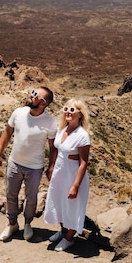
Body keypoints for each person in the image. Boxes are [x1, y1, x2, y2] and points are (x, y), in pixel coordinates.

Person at [0, 86, 58, 242]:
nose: (30, 95)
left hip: (35, 167)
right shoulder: (19, 113)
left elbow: (53, 147)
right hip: (14, 163)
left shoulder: (49, 122)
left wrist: (51, 166)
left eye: (35, 94)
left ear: (43, 103)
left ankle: (28, 223)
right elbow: (7, 132)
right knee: (11, 195)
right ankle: (12, 224)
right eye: (32, 92)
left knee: (31, 198)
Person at [44, 98, 91, 252]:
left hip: (72, 175)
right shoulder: (62, 130)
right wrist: (51, 168)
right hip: (60, 174)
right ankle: (63, 231)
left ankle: (69, 238)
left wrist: (75, 186)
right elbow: (57, 151)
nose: (68, 112)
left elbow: (83, 163)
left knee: (72, 206)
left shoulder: (82, 135)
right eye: (66, 109)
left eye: (72, 110)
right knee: (59, 202)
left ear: (80, 114)